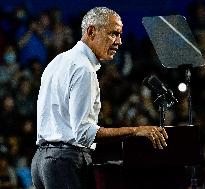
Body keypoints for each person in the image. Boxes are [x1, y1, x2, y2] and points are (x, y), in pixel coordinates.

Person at [31, 7, 168, 189]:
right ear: (91, 31)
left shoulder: (58, 61)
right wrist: (136, 130)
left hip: (42, 162)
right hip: (66, 162)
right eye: (113, 34)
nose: (119, 41)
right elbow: (84, 134)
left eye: (119, 35)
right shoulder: (83, 69)